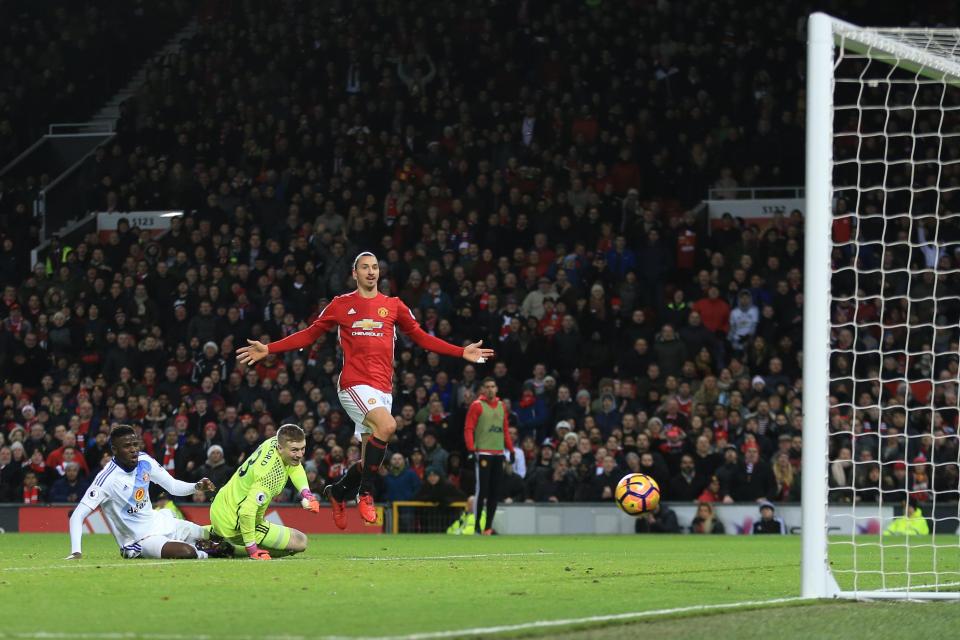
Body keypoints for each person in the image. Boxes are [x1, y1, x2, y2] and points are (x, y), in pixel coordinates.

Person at [236, 252, 493, 528]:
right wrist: (270, 348)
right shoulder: (341, 304)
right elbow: (310, 334)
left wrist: (460, 351)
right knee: (388, 425)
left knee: (370, 459)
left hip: (383, 390)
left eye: (375, 267)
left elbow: (420, 337)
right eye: (365, 268)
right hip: (354, 383)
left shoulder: (393, 305)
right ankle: (365, 493)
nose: (371, 272)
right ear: (354, 273)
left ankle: (338, 492)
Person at [65, 425, 223, 560]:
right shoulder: (107, 479)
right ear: (114, 449)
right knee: (187, 553)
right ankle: (203, 551)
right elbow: (77, 515)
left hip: (160, 522)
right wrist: (76, 551)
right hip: (140, 540)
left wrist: (196, 486)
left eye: (135, 444)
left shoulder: (145, 461)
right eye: (127, 446)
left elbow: (173, 486)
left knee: (215, 537)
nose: (133, 450)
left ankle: (213, 547)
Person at [209, 423, 319, 560]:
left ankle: (211, 534)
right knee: (300, 541)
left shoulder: (276, 441)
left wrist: (307, 494)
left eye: (303, 449)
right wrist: (252, 550)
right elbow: (246, 513)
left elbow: (295, 467)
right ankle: (227, 548)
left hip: (222, 505)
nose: (300, 454)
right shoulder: (269, 475)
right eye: (295, 450)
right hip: (234, 523)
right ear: (280, 448)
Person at [464, 377, 515, 534]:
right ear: (482, 390)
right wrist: (471, 449)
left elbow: (505, 429)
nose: (490, 389)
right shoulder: (477, 406)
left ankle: (488, 527)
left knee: (495, 491)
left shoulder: (501, 406)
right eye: (487, 387)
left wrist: (511, 450)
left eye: (493, 386)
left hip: (498, 452)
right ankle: (478, 526)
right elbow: (469, 428)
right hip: (483, 452)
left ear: (496, 389)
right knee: (482, 490)